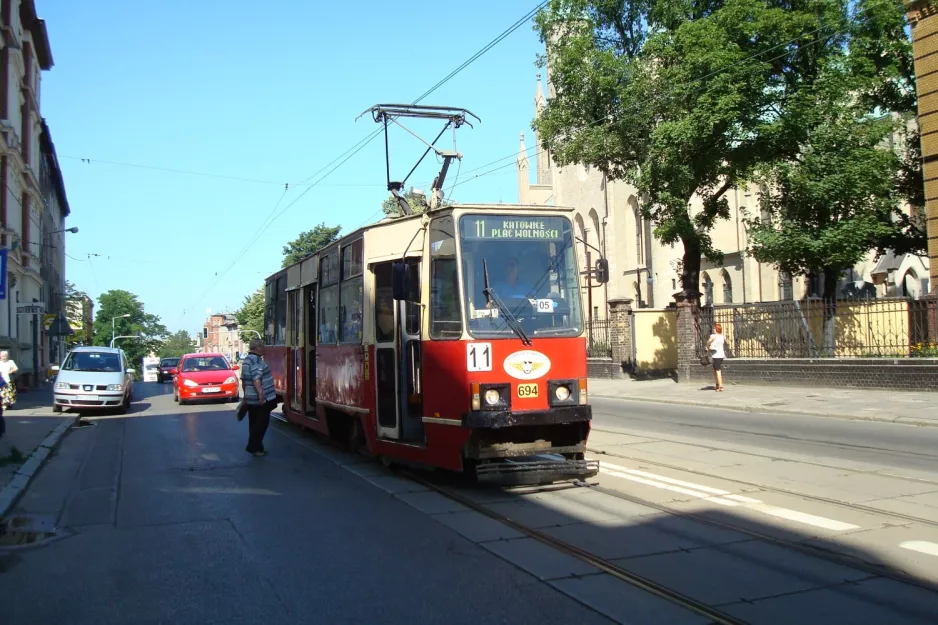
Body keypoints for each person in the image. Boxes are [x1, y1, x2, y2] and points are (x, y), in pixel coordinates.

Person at [238, 338, 277, 456]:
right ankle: (253, 447)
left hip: (251, 398)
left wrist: (246, 395)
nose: (264, 348)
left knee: (254, 423)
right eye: (263, 346)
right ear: (258, 347)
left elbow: (244, 380)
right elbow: (256, 378)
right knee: (261, 424)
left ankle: (259, 448)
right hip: (260, 399)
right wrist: (261, 395)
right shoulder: (256, 361)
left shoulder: (246, 360)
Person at [706, 323, 726, 391]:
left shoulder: (713, 336)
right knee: (715, 370)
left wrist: (707, 347)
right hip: (721, 355)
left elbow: (708, 342)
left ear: (716, 329)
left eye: (714, 328)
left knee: (718, 371)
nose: (713, 329)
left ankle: (720, 386)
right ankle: (717, 384)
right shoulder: (722, 336)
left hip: (715, 355)